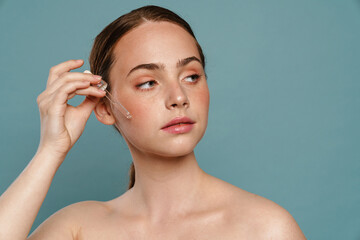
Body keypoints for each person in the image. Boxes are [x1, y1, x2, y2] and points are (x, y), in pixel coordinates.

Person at [0, 5, 306, 239]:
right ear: (106, 108)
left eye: (191, 76)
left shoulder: (265, 228)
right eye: (148, 82)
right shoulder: (77, 228)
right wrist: (50, 151)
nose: (178, 97)